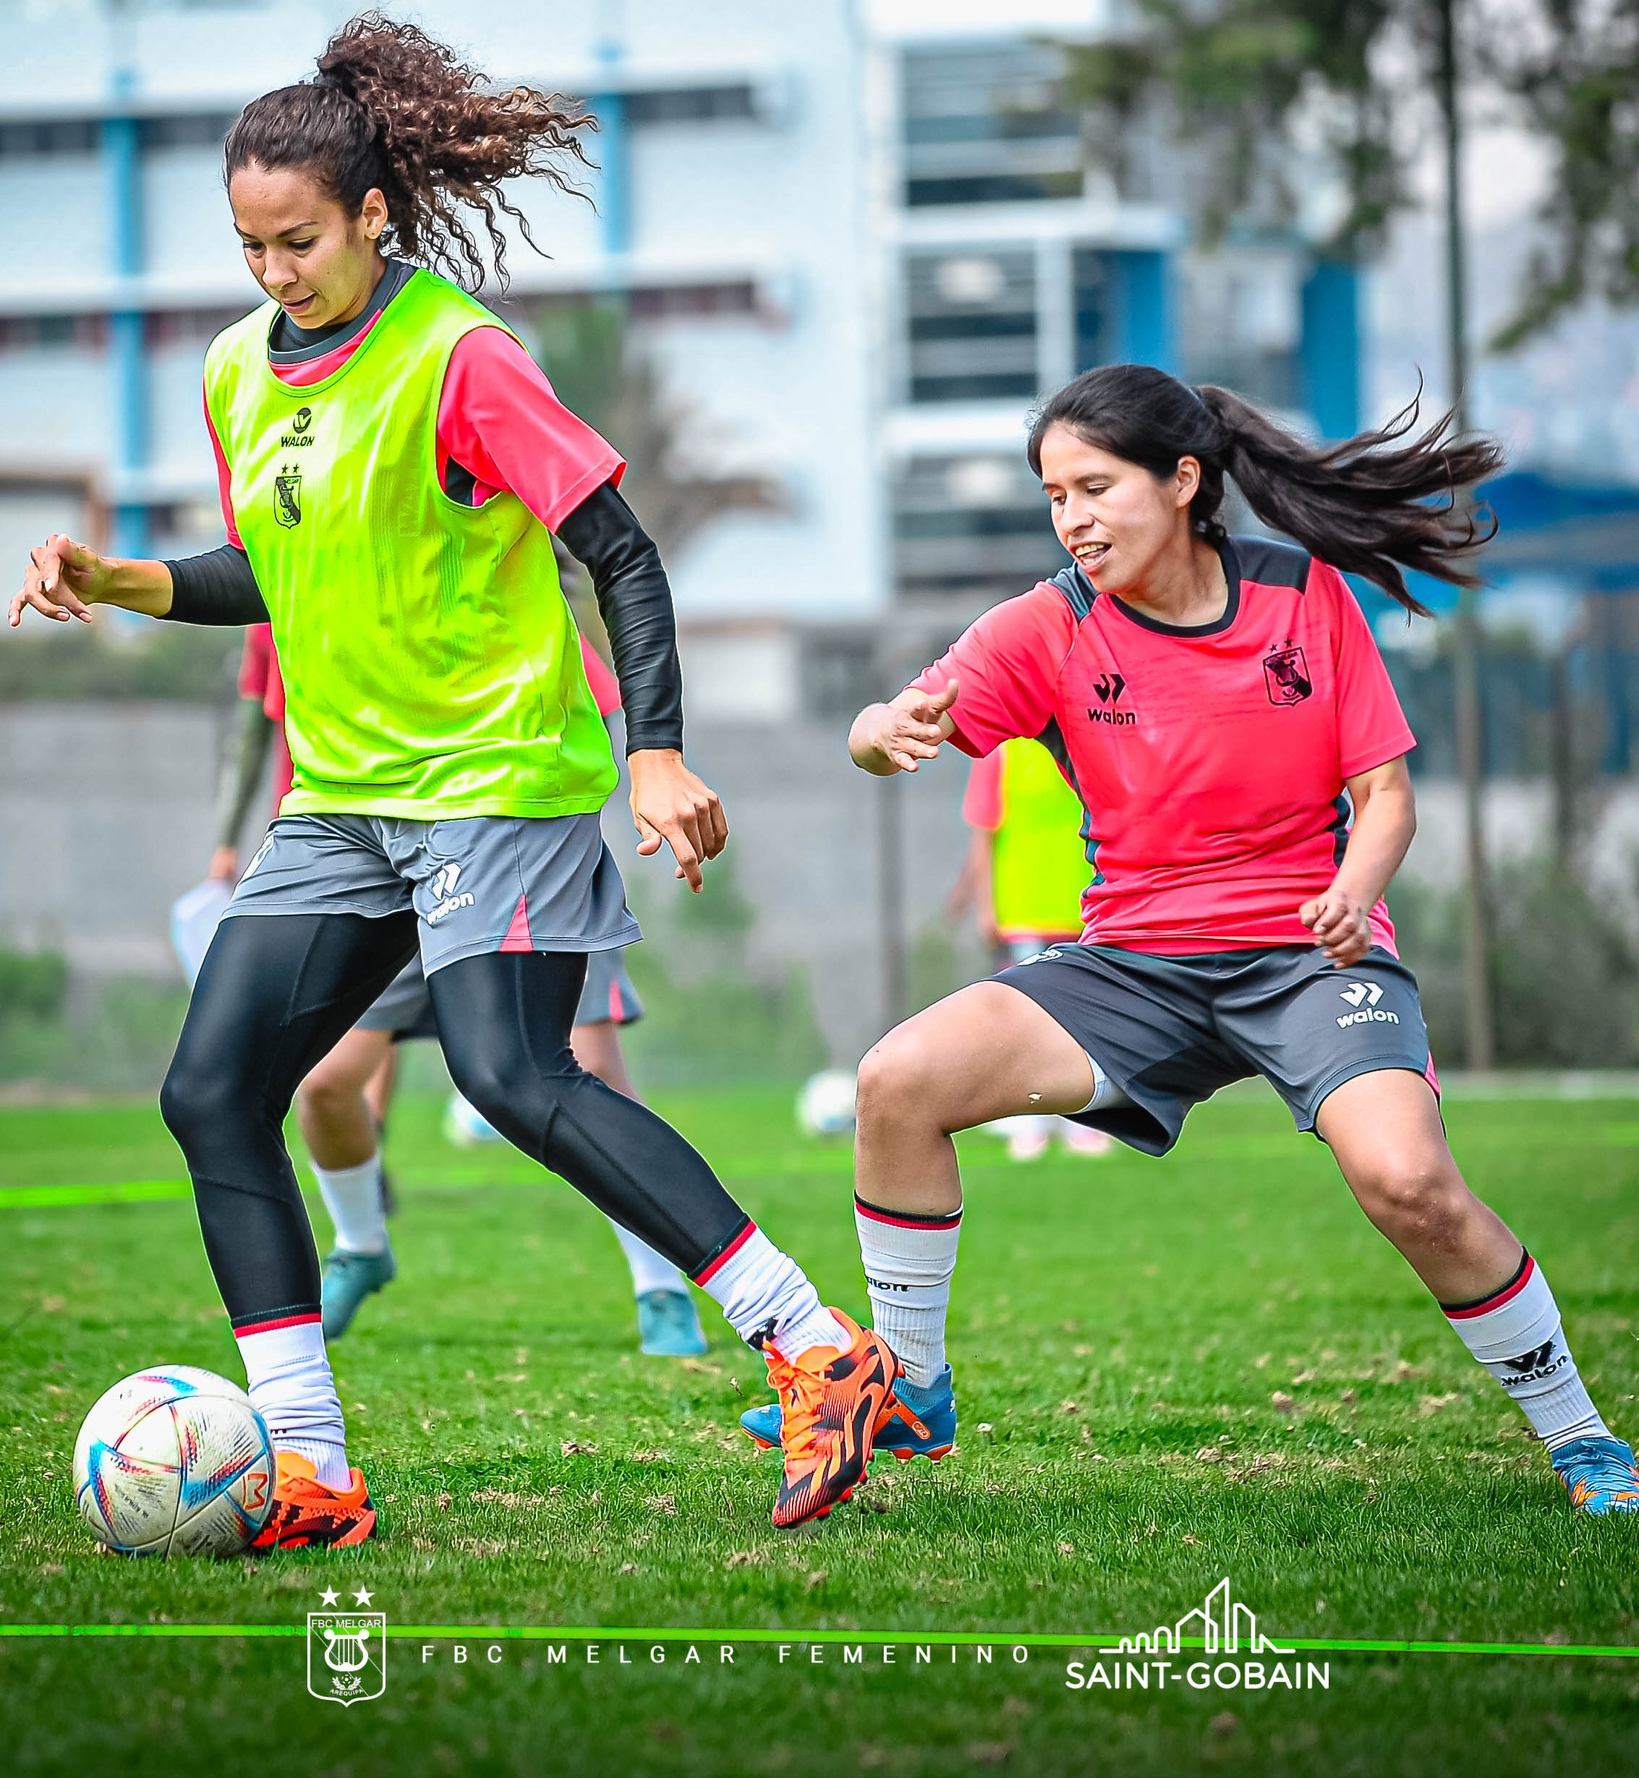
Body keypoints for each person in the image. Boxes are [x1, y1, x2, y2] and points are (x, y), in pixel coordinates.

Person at [10, 14, 904, 1544]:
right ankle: (307, 1469)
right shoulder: (237, 376)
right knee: (212, 1090)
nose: (274, 273)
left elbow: (616, 554)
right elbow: (271, 572)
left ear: (370, 216)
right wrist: (128, 580)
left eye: (298, 240)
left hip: (498, 783)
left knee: (512, 1076)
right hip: (343, 800)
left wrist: (657, 753)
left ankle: (820, 1348)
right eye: (248, 247)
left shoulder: (459, 358)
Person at [746, 362, 1638, 1515]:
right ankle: (914, 1386)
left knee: (1409, 1180)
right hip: (1134, 966)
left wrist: (1353, 892)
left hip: (1309, 953)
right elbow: (892, 724)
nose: (1070, 517)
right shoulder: (1049, 622)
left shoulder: (1302, 596)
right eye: (1053, 494)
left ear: (1180, 480)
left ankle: (1583, 1437)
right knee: (896, 1081)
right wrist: (880, 730)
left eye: (1092, 486)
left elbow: (1388, 797)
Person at [294, 632, 709, 1359]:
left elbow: (602, 706)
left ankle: (661, 1288)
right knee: (324, 1084)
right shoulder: (338, 586)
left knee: (592, 1072)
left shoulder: (521, 603)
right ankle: (361, 1245)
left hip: (525, 854)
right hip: (394, 859)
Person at [949, 736, 1111, 1160]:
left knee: (1086, 1025)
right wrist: (985, 906)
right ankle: (1030, 1123)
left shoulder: (1087, 736)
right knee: (1028, 1026)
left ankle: (1082, 1123)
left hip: (1087, 907)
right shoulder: (999, 752)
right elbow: (983, 834)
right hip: (1023, 911)